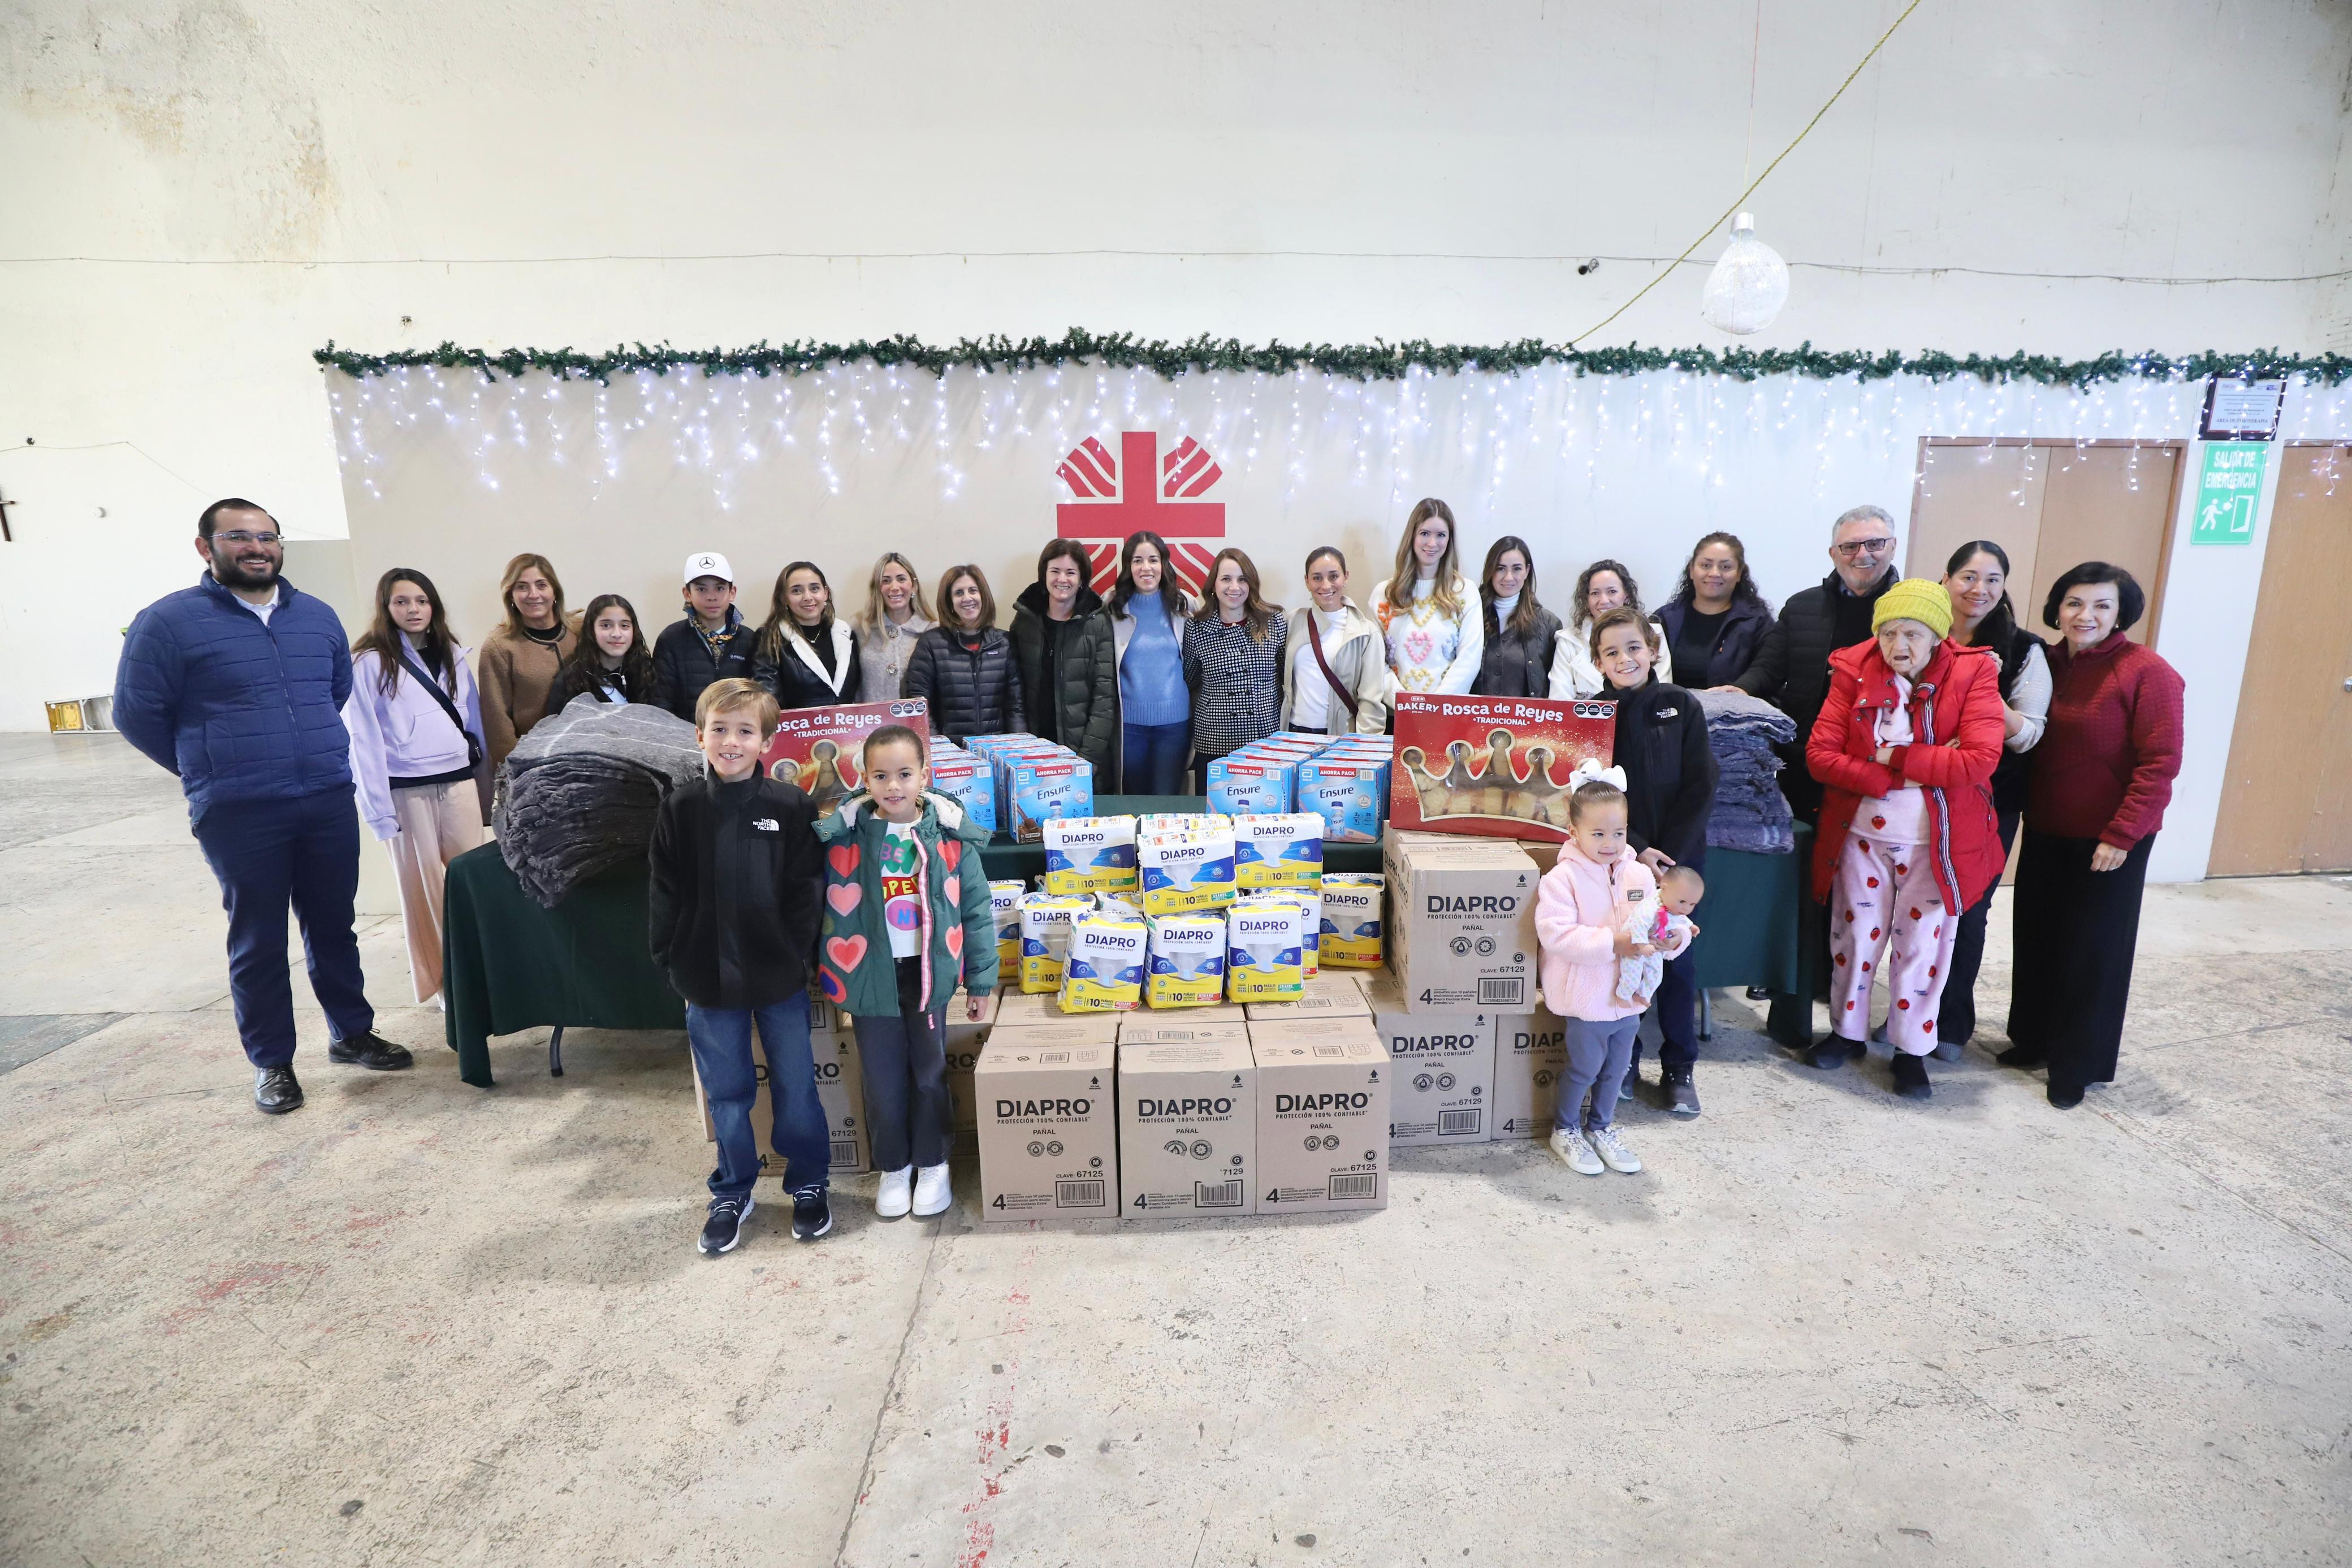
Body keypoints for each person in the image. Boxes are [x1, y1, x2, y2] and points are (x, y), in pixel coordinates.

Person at [113, 499, 408, 1115]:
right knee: (259, 939)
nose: (256, 547)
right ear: (206, 547)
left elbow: (333, 692)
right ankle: (272, 1061)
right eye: (238, 537)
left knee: (334, 925)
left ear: (280, 545)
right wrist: (207, 768)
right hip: (240, 810)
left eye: (267, 536)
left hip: (325, 797)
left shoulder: (318, 618)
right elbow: (136, 715)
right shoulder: (168, 622)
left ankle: (351, 1032)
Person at [1803, 579, 2006, 1098]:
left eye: (1913, 634)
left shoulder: (1973, 670)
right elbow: (1821, 756)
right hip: (1861, 836)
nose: (1899, 646)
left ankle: (1912, 1049)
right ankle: (1847, 1034)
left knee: (1923, 947)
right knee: (1855, 937)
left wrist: (1888, 755)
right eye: (1889, 632)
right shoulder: (1853, 668)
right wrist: (1916, 768)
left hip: (1936, 842)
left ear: (1937, 635)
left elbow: (1980, 759)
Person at [648, 678, 831, 1254]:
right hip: (705, 977)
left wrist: (798, 953)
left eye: (745, 731)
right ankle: (733, 1188)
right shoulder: (679, 808)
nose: (731, 741)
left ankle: (808, 1182)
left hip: (778, 977)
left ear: (765, 742)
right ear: (700, 736)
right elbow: (663, 891)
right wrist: (669, 956)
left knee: (797, 1086)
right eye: (720, 730)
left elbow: (806, 889)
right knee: (727, 1093)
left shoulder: (789, 806)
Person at [2003, 564, 2184, 1108]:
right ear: (2057, 608)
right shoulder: (2044, 661)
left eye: (2102, 605)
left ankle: (2075, 1064)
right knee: (2036, 939)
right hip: (2048, 826)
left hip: (2109, 838)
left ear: (2120, 613)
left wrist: (2122, 834)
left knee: (2092, 952)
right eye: (2075, 603)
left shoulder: (2147, 671)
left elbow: (2160, 762)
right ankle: (2032, 1040)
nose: (2087, 616)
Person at [814, 725, 997, 1220]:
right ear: (865, 780)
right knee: (881, 1078)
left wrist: (981, 982)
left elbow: (978, 913)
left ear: (924, 776)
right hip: (870, 978)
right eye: (880, 776)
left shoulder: (951, 840)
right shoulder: (845, 838)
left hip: (929, 978)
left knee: (928, 1074)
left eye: (904, 774)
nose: (893, 786)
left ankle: (933, 1162)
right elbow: (818, 907)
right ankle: (894, 1166)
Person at [1588, 607, 1717, 1116]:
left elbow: (1701, 785)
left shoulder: (1680, 706)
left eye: (1634, 648)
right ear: (1599, 663)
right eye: (1612, 652)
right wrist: (1636, 848)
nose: (1625, 659)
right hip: (1621, 860)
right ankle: (1624, 1061)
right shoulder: (1595, 712)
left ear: (1653, 650)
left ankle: (1679, 1068)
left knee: (1675, 961)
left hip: (1679, 863)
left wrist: (1674, 860)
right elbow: (1593, 792)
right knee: (1624, 958)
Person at [343, 568, 486, 1007]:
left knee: (471, 885)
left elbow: (473, 727)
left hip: (458, 782)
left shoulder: (453, 655)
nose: (413, 609)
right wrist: (378, 812)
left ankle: (480, 975)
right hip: (406, 792)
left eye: (421, 600)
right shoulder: (369, 662)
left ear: (433, 606)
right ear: (386, 608)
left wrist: (486, 795)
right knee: (424, 894)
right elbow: (361, 739)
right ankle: (446, 987)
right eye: (402, 601)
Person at [1934, 540, 2051, 1059]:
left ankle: (1950, 1025)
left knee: (1968, 910)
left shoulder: (2024, 649)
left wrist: (1985, 699)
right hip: (1919, 791)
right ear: (1946, 580)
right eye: (1968, 577)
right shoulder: (1922, 633)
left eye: (1993, 580)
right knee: (1917, 909)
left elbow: (2030, 733)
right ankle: (1908, 1014)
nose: (1979, 589)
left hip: (1988, 801)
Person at [1735, 506, 1902, 822]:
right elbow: (1768, 668)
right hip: (1804, 758)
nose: (1862, 554)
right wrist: (1739, 690)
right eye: (1850, 547)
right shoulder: (1801, 606)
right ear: (1834, 554)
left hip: (1879, 762)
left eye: (1875, 544)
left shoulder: (1912, 614)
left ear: (1893, 546)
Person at [1532, 768, 1654, 1179]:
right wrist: (1611, 943)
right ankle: (1565, 1129)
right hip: (1587, 997)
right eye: (1598, 834)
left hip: (1629, 996)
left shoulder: (1638, 875)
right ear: (1574, 831)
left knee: (1617, 1070)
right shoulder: (1561, 879)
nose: (1610, 844)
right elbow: (1556, 935)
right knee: (1584, 1068)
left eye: (1618, 833)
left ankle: (1601, 1128)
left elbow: (1656, 924)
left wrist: (1674, 938)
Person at [1010, 539, 1118, 778]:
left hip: (1081, 754)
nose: (1062, 579)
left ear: (1082, 579)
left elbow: (1104, 698)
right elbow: (1013, 691)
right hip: (1032, 753)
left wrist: (1088, 758)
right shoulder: (1025, 620)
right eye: (1055, 571)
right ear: (1044, 575)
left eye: (1071, 573)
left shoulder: (1097, 622)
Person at [1106, 531, 1196, 792]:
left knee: (1166, 801)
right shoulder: (1112, 605)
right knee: (1133, 799)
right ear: (1128, 567)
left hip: (1174, 724)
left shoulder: (1184, 603)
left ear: (1163, 564)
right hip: (1129, 725)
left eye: (1153, 560)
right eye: (1138, 561)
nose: (1146, 568)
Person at [1183, 547, 1289, 769]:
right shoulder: (1196, 628)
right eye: (1226, 579)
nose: (1235, 587)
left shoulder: (1274, 622)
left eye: (1242, 579)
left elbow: (1286, 676)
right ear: (1214, 585)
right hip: (1215, 739)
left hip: (1265, 738)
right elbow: (1189, 679)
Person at [477, 552, 577, 786]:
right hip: (532, 769)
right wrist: (519, 774)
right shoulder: (498, 647)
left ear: (555, 591)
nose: (534, 595)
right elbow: (496, 722)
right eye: (522, 587)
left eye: (541, 585)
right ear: (510, 595)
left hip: (586, 761)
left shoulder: (581, 633)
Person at [1372, 497, 1483, 704]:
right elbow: (1375, 662)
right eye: (1425, 534)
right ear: (1412, 536)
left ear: (1449, 540)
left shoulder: (1464, 593)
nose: (1432, 544)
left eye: (1441, 535)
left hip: (1446, 716)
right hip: (1395, 715)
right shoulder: (1384, 594)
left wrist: (1433, 708)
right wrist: (1406, 704)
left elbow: (1469, 660)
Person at [903, 565, 1024, 742]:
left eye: (973, 591)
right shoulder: (931, 644)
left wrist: (1018, 747)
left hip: (997, 752)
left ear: (983, 595)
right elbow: (920, 706)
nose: (967, 598)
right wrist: (939, 749)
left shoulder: (1005, 643)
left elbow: (1016, 707)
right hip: (950, 757)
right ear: (949, 602)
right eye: (959, 593)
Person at [1279, 546, 1388, 736]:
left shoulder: (1367, 634)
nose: (1326, 585)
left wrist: (1363, 749)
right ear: (1307, 581)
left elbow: (1371, 703)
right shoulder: (1293, 621)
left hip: (1339, 738)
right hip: (1293, 735)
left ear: (1346, 577)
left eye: (1333, 576)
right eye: (1317, 578)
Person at [1657, 532, 1775, 694]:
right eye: (1706, 565)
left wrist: (1743, 688)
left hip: (1736, 712)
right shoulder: (1664, 619)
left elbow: (1768, 666)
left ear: (1739, 574)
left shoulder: (1757, 622)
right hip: (1673, 712)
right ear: (1691, 570)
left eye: (1725, 567)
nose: (1714, 573)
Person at [1551, 560, 1675, 698]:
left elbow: (1663, 692)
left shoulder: (1654, 633)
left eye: (1612, 592)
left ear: (1626, 596)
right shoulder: (1568, 641)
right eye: (1595, 593)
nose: (1604, 600)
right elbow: (1560, 703)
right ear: (1587, 600)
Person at [654, 552, 754, 721]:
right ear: (687, 594)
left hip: (736, 739)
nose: (711, 596)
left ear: (732, 592)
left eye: (720, 588)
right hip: (684, 739)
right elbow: (661, 703)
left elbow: (759, 699)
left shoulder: (750, 639)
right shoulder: (670, 639)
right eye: (701, 589)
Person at [753, 561, 864, 710]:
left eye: (814, 589)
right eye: (797, 591)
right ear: (784, 598)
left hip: (845, 730)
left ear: (825, 593)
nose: (807, 597)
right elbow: (767, 702)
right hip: (794, 731)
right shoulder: (769, 638)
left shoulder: (846, 634)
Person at [1471, 536, 1563, 697]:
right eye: (1500, 568)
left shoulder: (1549, 624)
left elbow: (1555, 690)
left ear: (1527, 571)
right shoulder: (1470, 615)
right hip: (1473, 720)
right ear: (1490, 571)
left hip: (1529, 721)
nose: (1508, 577)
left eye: (1517, 569)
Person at [1619, 865, 1704, 1011]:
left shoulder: (1674, 908)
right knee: (1632, 973)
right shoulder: (1650, 908)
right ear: (1664, 888)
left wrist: (1691, 927)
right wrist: (1643, 945)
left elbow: (1680, 919)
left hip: (1655, 948)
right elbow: (1638, 925)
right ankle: (1623, 995)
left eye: (1692, 904)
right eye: (1683, 902)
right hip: (1633, 946)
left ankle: (1643, 994)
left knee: (1656, 973)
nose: (1686, 908)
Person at [855, 552, 936, 700]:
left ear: (914, 586)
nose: (894, 587)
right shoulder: (861, 630)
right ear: (877, 588)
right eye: (886, 581)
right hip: (871, 722)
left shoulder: (933, 632)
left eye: (901, 579)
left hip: (916, 723)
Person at [560, 594, 665, 707]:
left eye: (624, 626)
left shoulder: (650, 672)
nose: (616, 634)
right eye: (606, 625)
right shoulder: (571, 679)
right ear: (591, 630)